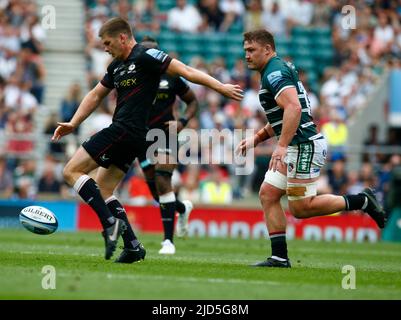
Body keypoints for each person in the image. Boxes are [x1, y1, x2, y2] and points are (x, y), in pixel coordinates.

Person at [52, 17, 243, 264]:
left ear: (123, 37)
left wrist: (220, 87)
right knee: (106, 189)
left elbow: (186, 71)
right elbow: (96, 94)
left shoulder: (145, 56)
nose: (106, 49)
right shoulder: (116, 66)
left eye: (108, 43)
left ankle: (109, 224)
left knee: (71, 170)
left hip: (124, 130)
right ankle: (132, 246)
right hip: (135, 136)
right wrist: (74, 122)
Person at [236, 29, 387, 268]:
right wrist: (256, 139)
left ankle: (361, 201)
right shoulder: (275, 70)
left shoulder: (274, 73)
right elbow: (282, 115)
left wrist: (281, 146)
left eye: (251, 50)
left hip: (304, 146)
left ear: (267, 49)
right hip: (298, 144)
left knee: (300, 208)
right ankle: (279, 257)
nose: (247, 55)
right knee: (268, 193)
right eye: (245, 50)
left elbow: (293, 109)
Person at [138, 36, 198, 255]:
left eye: (153, 53)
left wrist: (182, 121)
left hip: (165, 134)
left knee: (164, 180)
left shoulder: (171, 75)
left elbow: (192, 101)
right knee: (156, 192)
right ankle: (181, 207)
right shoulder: (132, 76)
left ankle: (168, 242)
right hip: (141, 137)